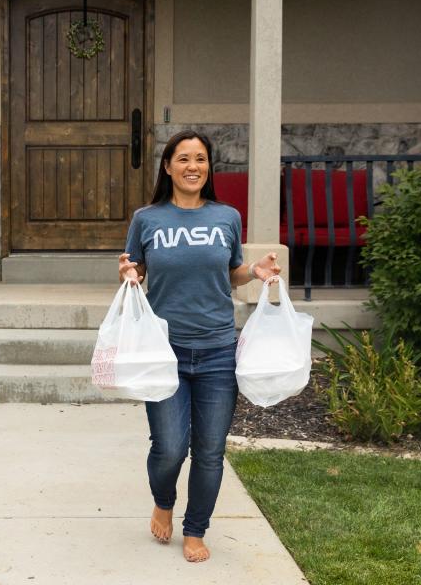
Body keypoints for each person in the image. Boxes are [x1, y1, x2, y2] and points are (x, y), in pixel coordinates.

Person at [118, 130, 281, 563]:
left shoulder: (226, 216)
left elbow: (230, 273)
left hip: (217, 351)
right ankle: (164, 500)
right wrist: (127, 274)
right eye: (184, 158)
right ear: (168, 166)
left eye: (201, 159)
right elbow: (133, 269)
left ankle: (195, 529)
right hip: (163, 351)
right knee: (169, 447)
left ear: (209, 168)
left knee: (210, 450)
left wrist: (254, 270)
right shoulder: (147, 218)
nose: (194, 166)